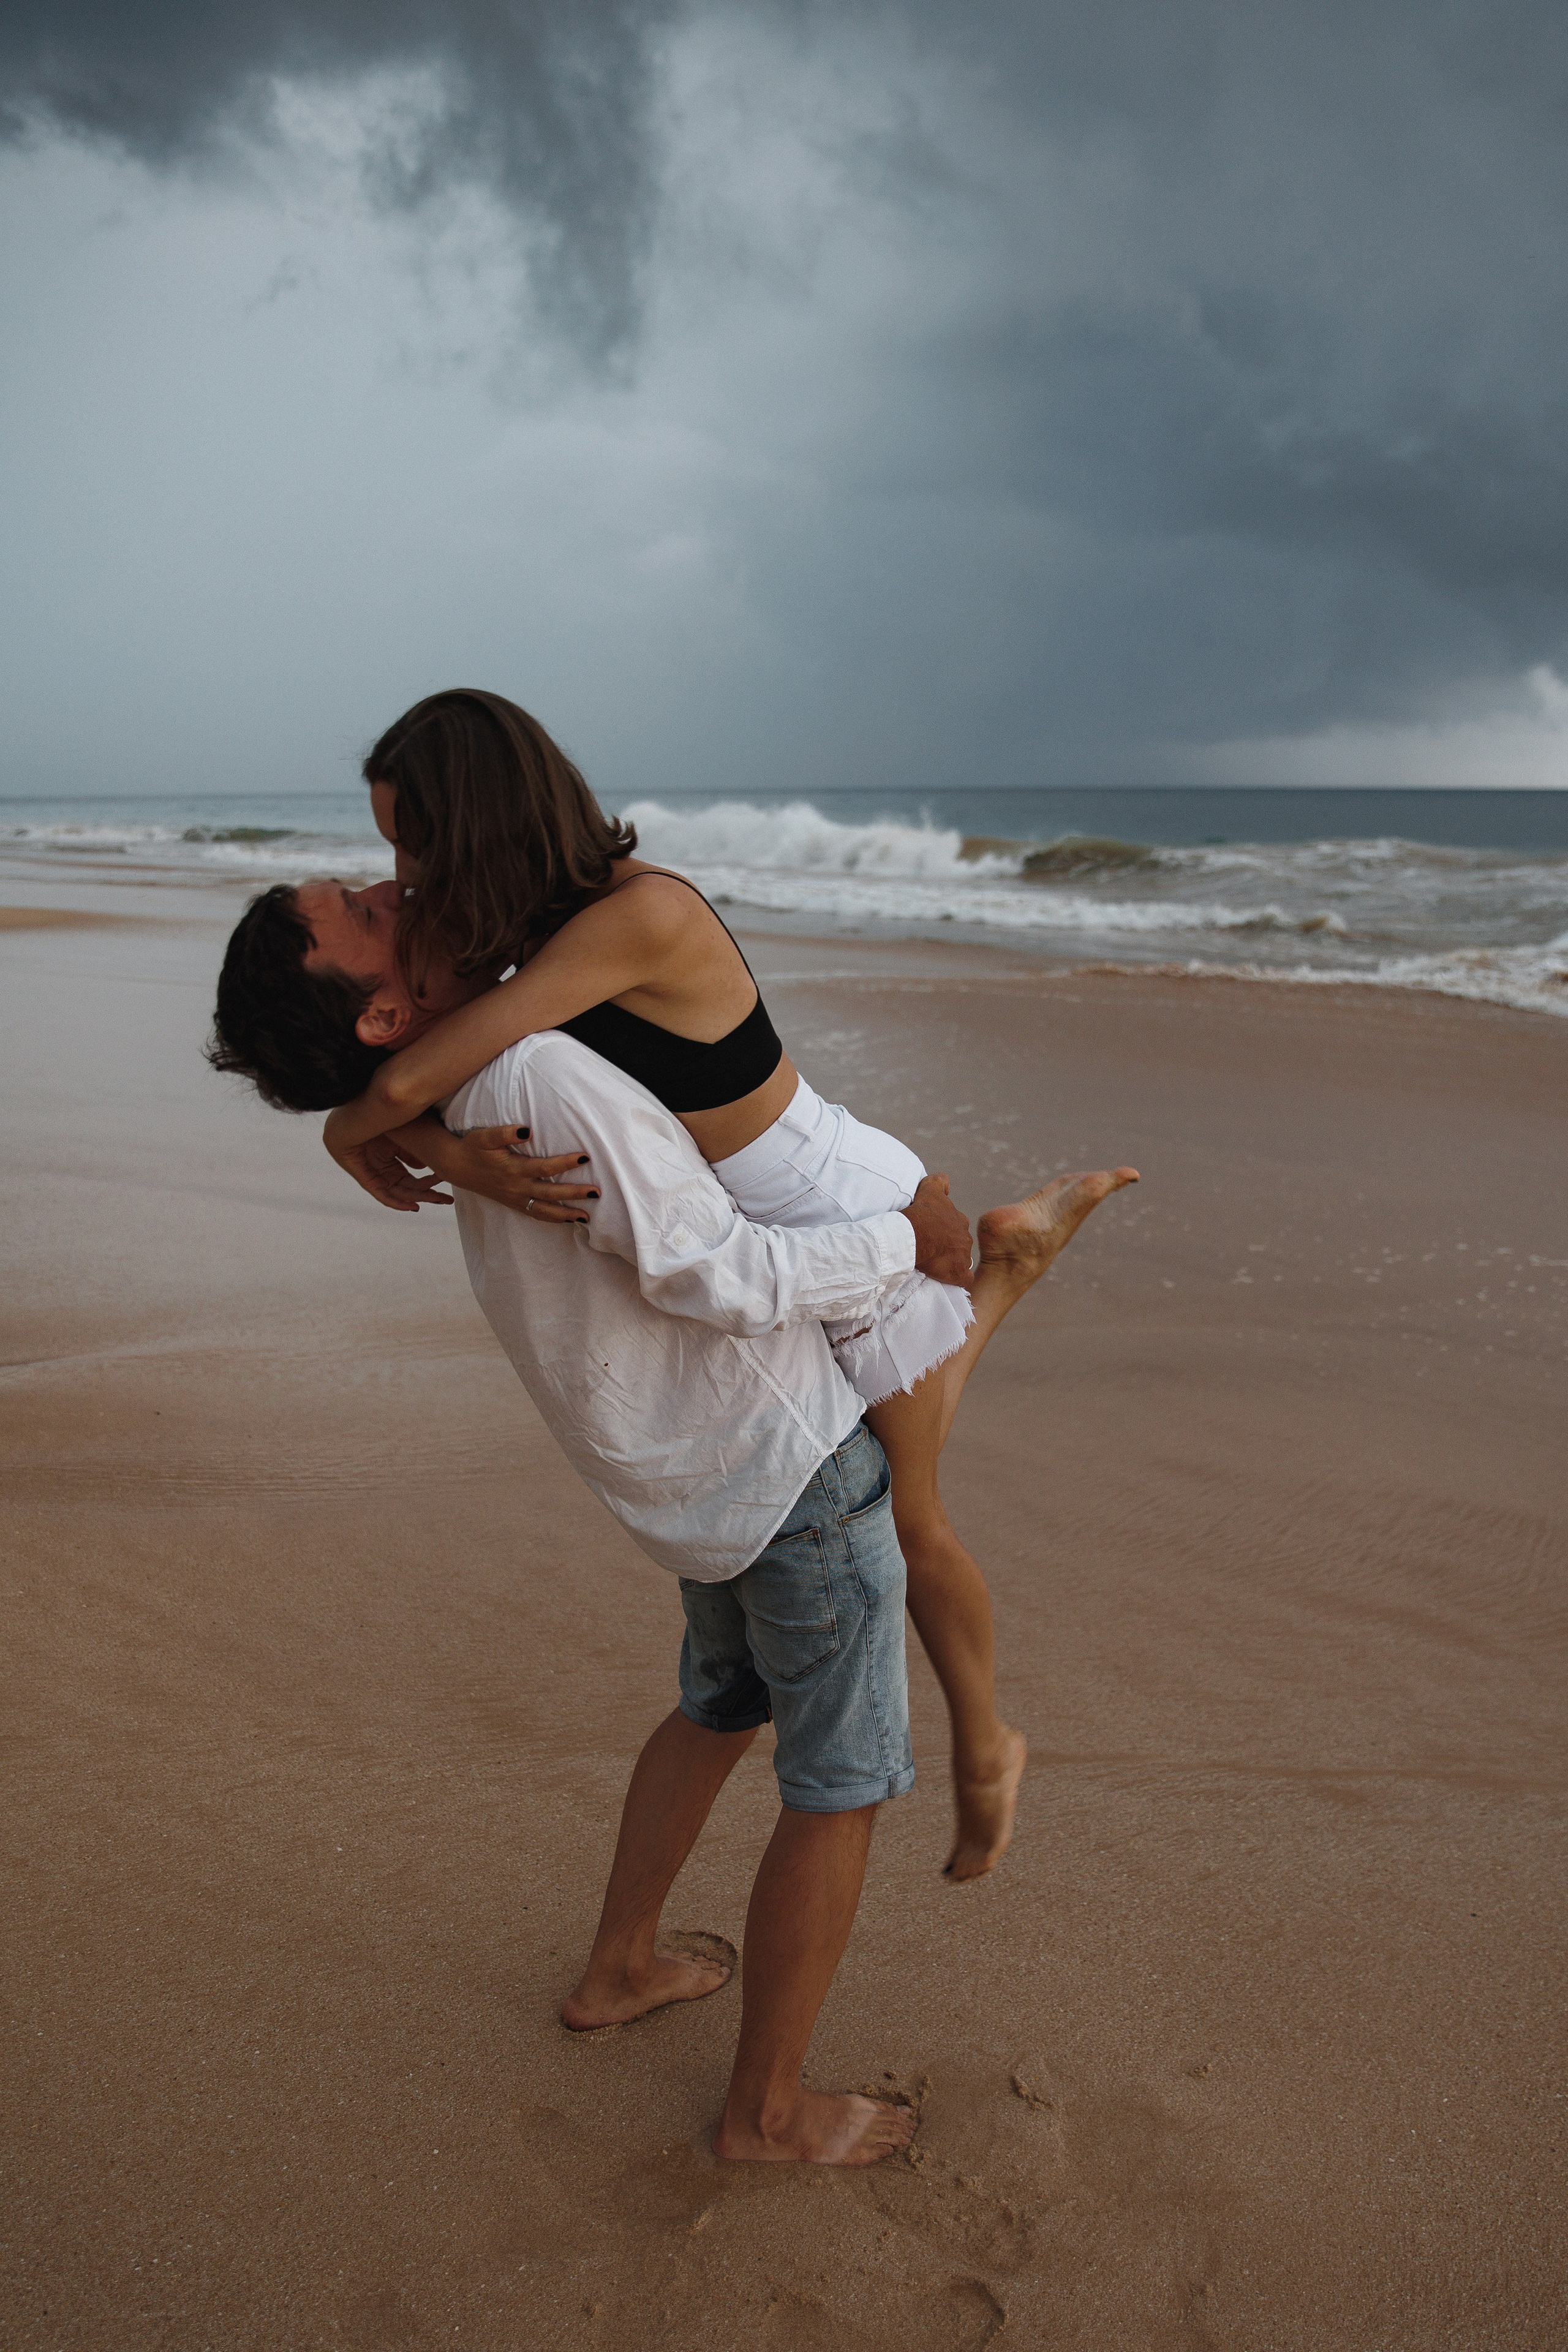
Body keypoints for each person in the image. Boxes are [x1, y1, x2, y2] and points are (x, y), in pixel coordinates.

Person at [276, 690, 1137, 1879]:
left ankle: (987, 1757)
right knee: (898, 1465)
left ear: (473, 826)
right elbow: (430, 1060)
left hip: (836, 1206)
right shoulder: (530, 931)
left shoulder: (637, 918)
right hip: (782, 1225)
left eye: (408, 844)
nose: (400, 872)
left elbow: (431, 1061)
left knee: (913, 1520)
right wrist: (412, 1139)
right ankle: (1010, 1258)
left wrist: (353, 1133)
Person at [212, 888, 979, 2163]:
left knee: (719, 1706)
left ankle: (619, 1968)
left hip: (681, 1482)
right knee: (838, 1789)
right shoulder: (531, 1068)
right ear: (387, 1010)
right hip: (780, 1468)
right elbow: (714, 1273)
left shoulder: (450, 1089)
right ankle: (767, 2113)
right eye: (352, 908)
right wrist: (906, 1236)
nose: (390, 882)